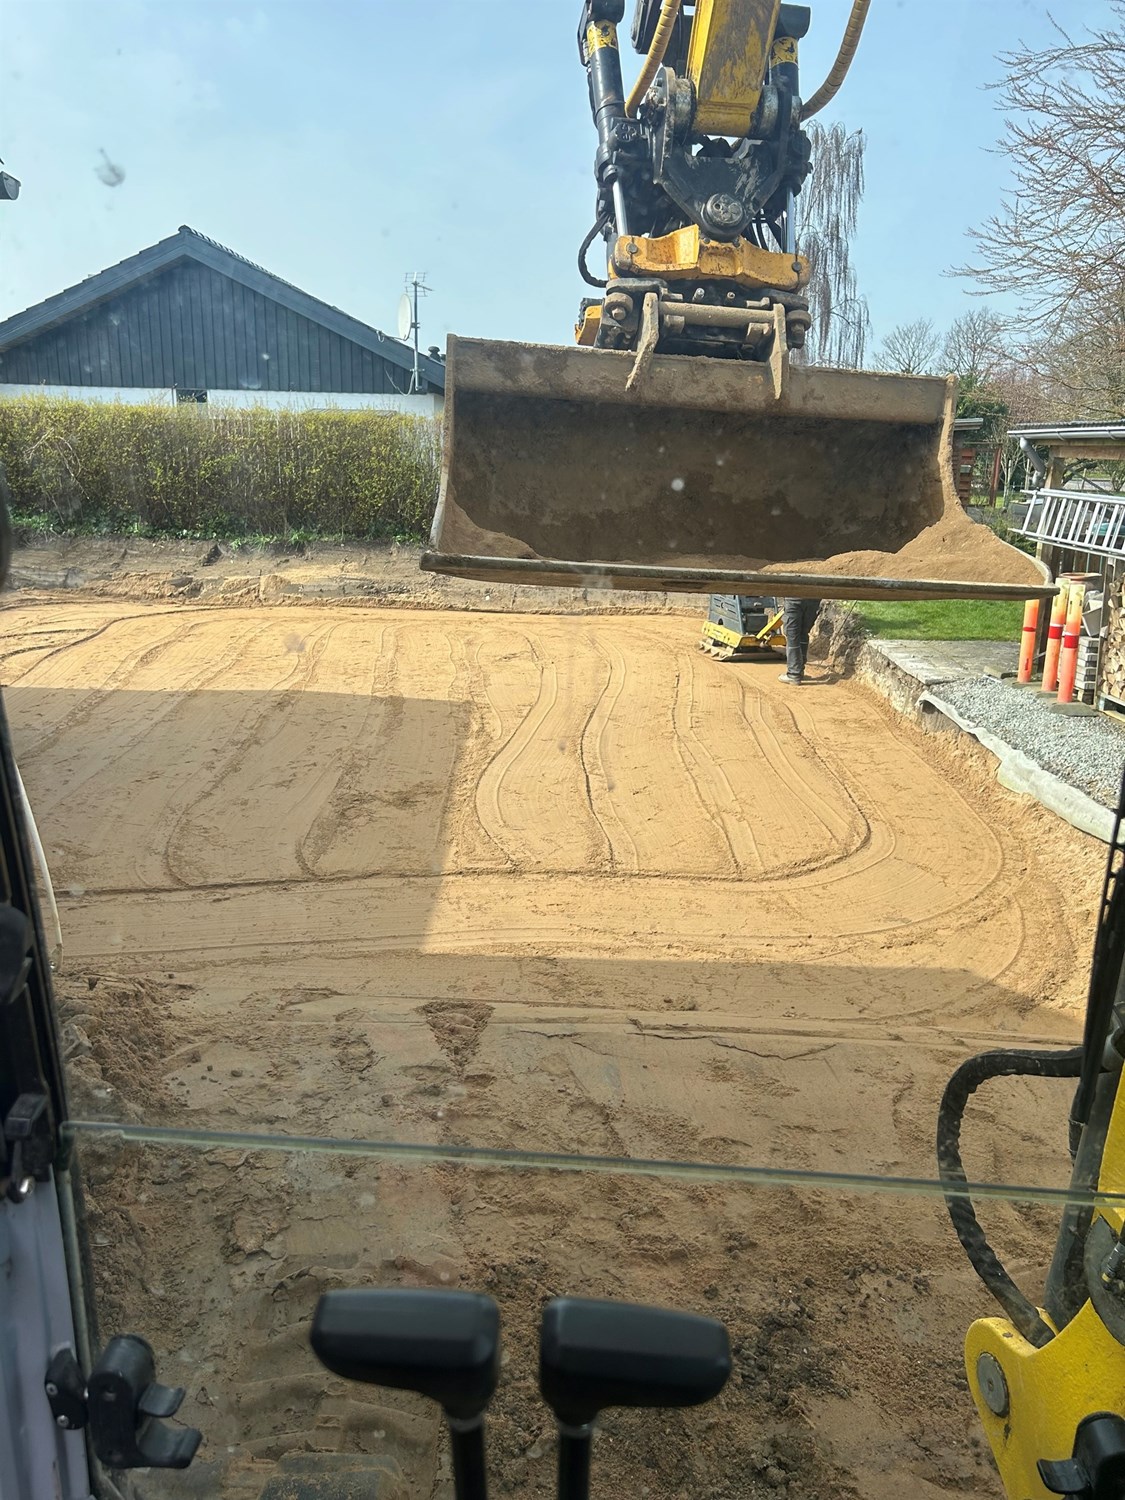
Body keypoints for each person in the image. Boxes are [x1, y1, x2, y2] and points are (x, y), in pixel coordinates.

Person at [778, 597, 821, 685]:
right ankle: (799, 670)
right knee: (803, 633)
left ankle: (794, 674)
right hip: (814, 599)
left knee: (792, 635)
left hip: (794, 599)